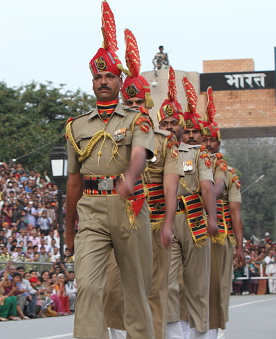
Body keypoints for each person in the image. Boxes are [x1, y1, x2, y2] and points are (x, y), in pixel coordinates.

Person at [65, 2, 155, 337]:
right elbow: (73, 181)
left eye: (109, 76)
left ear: (120, 82)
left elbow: (140, 154)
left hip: (129, 208)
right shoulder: (76, 126)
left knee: (134, 290)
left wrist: (130, 179)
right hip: (91, 210)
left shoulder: (137, 119)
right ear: (92, 83)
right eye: (98, 76)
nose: (103, 81)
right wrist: (68, 231)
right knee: (87, 286)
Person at [102, 29, 181, 339]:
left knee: (153, 291)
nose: (134, 105)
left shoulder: (163, 142)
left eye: (138, 100)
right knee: (112, 289)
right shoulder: (109, 136)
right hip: (118, 222)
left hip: (154, 222)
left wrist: (168, 225)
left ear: (147, 101)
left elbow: (171, 188)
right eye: (129, 100)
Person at [162, 73, 218, 339]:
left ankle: (200, 333)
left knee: (196, 284)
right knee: (168, 282)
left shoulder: (197, 154)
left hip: (194, 219)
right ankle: (174, 333)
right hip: (164, 221)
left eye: (175, 122)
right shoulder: (153, 154)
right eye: (166, 123)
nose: (171, 127)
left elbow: (206, 186)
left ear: (182, 126)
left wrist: (212, 218)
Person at [201, 86, 244, 337]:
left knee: (217, 288)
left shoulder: (225, 170)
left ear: (219, 142)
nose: (207, 143)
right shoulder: (189, 162)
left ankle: (213, 331)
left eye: (211, 140)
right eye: (204, 139)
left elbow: (234, 210)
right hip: (194, 233)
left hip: (219, 237)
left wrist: (239, 245)